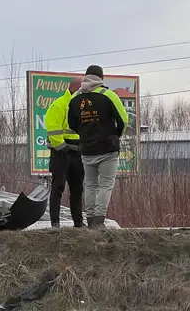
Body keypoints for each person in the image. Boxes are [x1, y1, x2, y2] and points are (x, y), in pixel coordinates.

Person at [67, 65, 128, 228]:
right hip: (107, 148)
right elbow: (123, 120)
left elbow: (71, 124)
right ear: (102, 78)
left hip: (86, 149)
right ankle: (99, 221)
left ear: (86, 77)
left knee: (90, 184)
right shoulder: (108, 95)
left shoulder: (75, 98)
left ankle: (90, 219)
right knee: (106, 184)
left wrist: (85, 134)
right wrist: (116, 134)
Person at [45, 76, 85, 228]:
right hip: (61, 153)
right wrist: (63, 148)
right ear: (75, 89)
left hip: (78, 153)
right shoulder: (59, 105)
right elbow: (53, 130)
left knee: (77, 189)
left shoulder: (82, 106)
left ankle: (78, 223)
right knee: (58, 187)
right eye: (83, 89)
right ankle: (55, 224)